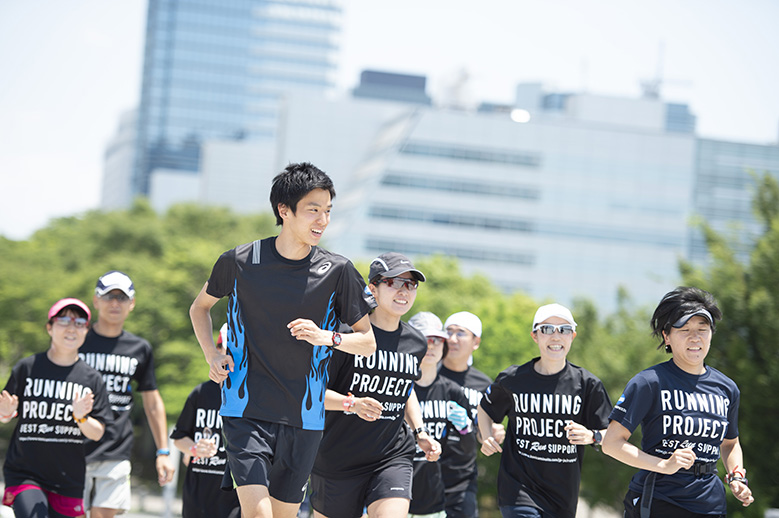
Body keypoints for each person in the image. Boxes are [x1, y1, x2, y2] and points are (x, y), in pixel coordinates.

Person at [189, 162, 376, 518]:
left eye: (327, 211)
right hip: (245, 409)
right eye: (313, 210)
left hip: (305, 418)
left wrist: (326, 337)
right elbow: (199, 309)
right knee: (259, 514)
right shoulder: (240, 261)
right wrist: (211, 353)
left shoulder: (338, 270)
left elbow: (367, 342)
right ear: (284, 211)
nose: (322, 220)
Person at [309, 253, 441, 518]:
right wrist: (353, 404)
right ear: (373, 289)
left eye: (411, 284)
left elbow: (406, 389)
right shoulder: (345, 335)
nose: (404, 291)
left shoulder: (416, 343)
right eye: (394, 282)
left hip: (392, 455)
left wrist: (420, 431)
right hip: (337, 457)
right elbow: (311, 392)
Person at [602, 287, 754, 517]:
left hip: (710, 503)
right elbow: (611, 443)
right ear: (667, 336)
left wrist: (736, 477)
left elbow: (730, 443)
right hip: (659, 499)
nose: (695, 337)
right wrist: (663, 465)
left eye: (702, 329)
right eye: (684, 330)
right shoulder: (648, 382)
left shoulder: (727, 388)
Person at [478, 303, 612, 518]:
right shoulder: (513, 379)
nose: (556, 336)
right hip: (518, 489)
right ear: (535, 336)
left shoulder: (588, 384)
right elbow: (485, 408)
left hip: (563, 497)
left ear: (573, 336)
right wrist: (486, 437)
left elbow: (612, 435)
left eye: (564, 330)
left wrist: (591, 436)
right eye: (547, 329)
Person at [2, 298, 111, 518]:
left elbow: (98, 432)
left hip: (68, 479)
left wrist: (81, 418)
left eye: (80, 323)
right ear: (49, 327)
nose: (72, 328)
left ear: (86, 331)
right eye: (63, 321)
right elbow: (6, 415)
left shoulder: (92, 378)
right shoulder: (27, 368)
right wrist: (6, 411)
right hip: (25, 473)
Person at [78, 270, 175, 518]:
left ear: (131, 304)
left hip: (116, 448)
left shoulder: (139, 348)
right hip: (72, 444)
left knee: (103, 514)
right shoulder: (76, 339)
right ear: (96, 300)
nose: (114, 303)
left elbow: (152, 403)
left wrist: (163, 452)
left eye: (121, 298)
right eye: (108, 296)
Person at [407, 312, 473, 518]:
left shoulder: (453, 391)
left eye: (437, 340)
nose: (432, 345)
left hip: (435, 501)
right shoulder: (396, 386)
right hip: (394, 492)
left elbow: (466, 453)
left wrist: (466, 429)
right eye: (425, 339)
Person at [437, 311, 503, 518]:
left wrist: (491, 435)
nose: (453, 339)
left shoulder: (484, 384)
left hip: (462, 479)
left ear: (476, 342)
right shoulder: (429, 373)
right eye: (449, 332)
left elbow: (482, 432)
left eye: (461, 333)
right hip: (422, 472)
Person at [170, 324, 240, 518]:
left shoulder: (252, 397)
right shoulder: (200, 393)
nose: (229, 356)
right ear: (216, 350)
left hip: (234, 498)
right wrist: (193, 449)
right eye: (225, 349)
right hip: (197, 492)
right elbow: (179, 437)